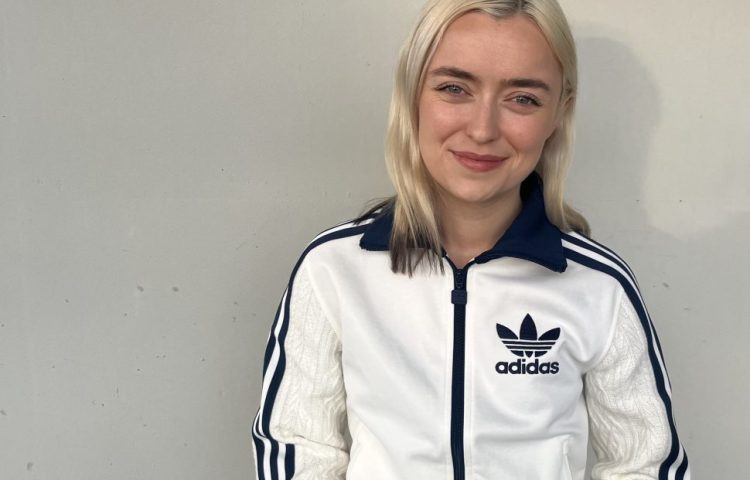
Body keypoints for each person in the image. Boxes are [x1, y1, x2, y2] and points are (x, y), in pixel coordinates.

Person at [252, 0, 691, 478]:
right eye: (454, 88)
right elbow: (297, 446)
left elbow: (644, 464)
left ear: (557, 114)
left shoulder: (598, 286)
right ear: (412, 94)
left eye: (523, 99)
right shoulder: (334, 269)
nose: (483, 130)